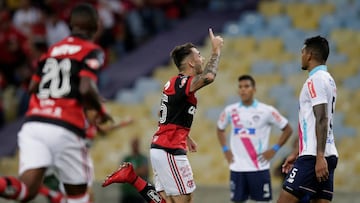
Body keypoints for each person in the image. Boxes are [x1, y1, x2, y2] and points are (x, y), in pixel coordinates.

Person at [0, 3, 113, 203]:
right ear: (95, 26)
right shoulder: (92, 50)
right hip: (64, 128)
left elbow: (33, 87)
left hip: (34, 125)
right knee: (80, 197)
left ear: (70, 25)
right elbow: (86, 88)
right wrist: (100, 111)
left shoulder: (52, 51)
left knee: (26, 190)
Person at [102, 28, 224, 203]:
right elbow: (209, 77)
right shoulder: (183, 82)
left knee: (166, 201)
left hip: (164, 147)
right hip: (170, 149)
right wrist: (216, 51)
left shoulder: (176, 84)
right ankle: (132, 178)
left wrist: (186, 135)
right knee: (184, 200)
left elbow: (164, 113)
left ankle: (132, 178)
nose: (202, 58)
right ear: (190, 63)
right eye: (198, 55)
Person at [277, 36, 338, 203]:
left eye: (302, 52)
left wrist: (318, 156)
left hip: (313, 157)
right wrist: (297, 152)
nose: (301, 56)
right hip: (328, 154)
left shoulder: (315, 80)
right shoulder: (329, 80)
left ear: (309, 54)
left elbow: (322, 119)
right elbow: (313, 121)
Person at [216, 74, 293, 203]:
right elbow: (220, 128)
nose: (243, 90)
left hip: (259, 168)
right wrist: (225, 149)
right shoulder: (230, 110)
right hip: (237, 168)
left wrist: (274, 149)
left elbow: (288, 129)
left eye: (246, 86)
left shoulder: (267, 110)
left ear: (254, 89)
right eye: (240, 87)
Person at [120, 137, 149, 203]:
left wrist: (129, 172)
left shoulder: (143, 158)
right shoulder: (126, 158)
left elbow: (144, 171)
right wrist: (137, 171)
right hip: (126, 192)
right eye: (133, 143)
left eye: (136, 143)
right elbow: (122, 174)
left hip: (138, 193)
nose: (135, 145)